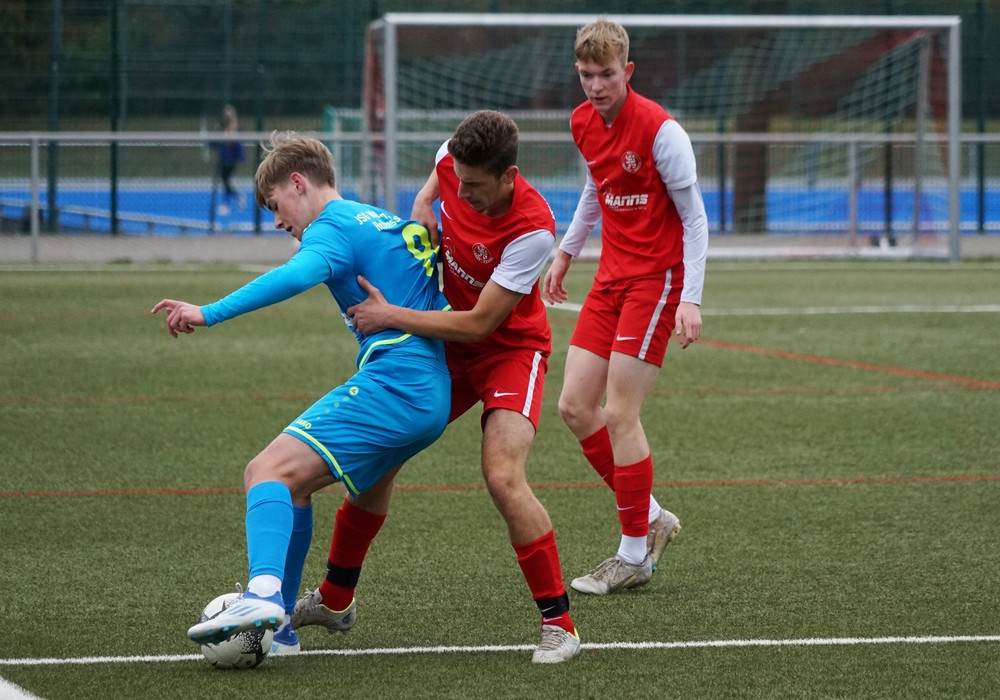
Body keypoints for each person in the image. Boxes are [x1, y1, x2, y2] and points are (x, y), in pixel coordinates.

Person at [151, 132, 451, 654]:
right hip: (427, 389)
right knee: (294, 488)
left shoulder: (332, 226)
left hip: (398, 384)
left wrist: (208, 312)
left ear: (298, 183)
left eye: (275, 206)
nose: (276, 221)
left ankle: (264, 595)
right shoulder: (377, 218)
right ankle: (282, 629)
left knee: (264, 471)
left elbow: (295, 276)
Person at [298, 110, 581, 664]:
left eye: (475, 186)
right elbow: (436, 179)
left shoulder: (533, 230)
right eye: (459, 181)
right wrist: (424, 202)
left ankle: (560, 625)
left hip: (509, 350)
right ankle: (335, 598)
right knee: (381, 456)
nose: (464, 193)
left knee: (503, 476)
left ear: (509, 176)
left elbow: (479, 324)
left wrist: (389, 315)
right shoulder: (453, 162)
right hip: (446, 341)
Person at [542, 16, 708, 596]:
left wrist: (690, 298)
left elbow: (695, 219)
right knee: (573, 406)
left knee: (619, 413)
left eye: (606, 74)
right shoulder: (581, 122)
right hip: (610, 280)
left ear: (627, 70)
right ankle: (653, 516)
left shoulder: (663, 132)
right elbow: (597, 187)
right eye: (586, 75)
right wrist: (566, 253)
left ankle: (633, 554)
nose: (595, 86)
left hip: (656, 283)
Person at [212, 104, 246, 215]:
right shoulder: (220, 129)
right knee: (225, 181)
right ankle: (236, 197)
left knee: (226, 181)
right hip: (223, 160)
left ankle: (228, 203)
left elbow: (238, 146)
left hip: (231, 160)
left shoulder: (236, 130)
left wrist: (240, 157)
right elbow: (214, 144)